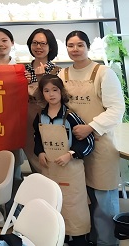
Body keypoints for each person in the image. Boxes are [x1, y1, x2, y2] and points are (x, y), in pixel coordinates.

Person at [63, 30, 124, 246]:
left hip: (100, 144)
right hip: (74, 147)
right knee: (80, 196)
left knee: (104, 199)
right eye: (71, 45)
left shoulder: (103, 73)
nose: (75, 49)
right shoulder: (63, 75)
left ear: (88, 47)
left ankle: (107, 242)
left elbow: (116, 109)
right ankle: (88, 240)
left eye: (80, 45)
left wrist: (90, 127)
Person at [33, 74, 94, 246]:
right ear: (42, 94)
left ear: (61, 92)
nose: (51, 94)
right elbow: (37, 138)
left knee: (74, 206)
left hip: (71, 170)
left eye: (55, 90)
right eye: (46, 91)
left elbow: (88, 141)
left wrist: (71, 154)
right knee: (53, 204)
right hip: (50, 170)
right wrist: (40, 153)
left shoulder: (70, 116)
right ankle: (60, 238)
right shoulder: (40, 116)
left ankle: (80, 240)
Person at [24, 28, 61, 173]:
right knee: (33, 158)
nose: (38, 47)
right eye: (35, 43)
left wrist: (41, 79)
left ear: (50, 47)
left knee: (52, 159)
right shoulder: (22, 71)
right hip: (27, 122)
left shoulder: (58, 71)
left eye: (43, 43)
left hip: (50, 121)